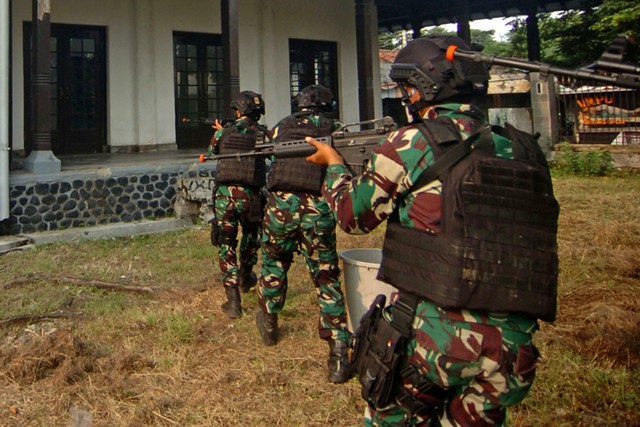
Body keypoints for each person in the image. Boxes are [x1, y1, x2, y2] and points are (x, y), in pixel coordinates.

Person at [306, 36, 559, 425]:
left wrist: (335, 166)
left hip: (437, 339)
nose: (406, 97)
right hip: (513, 348)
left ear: (425, 87)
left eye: (408, 88)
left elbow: (351, 217)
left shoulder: (412, 141)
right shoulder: (522, 149)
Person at [255, 84, 353, 384]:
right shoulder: (335, 127)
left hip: (280, 207)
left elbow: (269, 150)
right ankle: (338, 352)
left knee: (274, 264)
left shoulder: (282, 126)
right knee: (325, 276)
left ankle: (269, 323)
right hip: (317, 210)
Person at [209, 91, 267, 319]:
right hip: (251, 196)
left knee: (226, 244)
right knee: (251, 238)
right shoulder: (263, 134)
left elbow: (211, 151)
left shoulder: (224, 133)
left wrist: (221, 132)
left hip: (225, 197)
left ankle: (233, 301)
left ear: (237, 111)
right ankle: (245, 276)